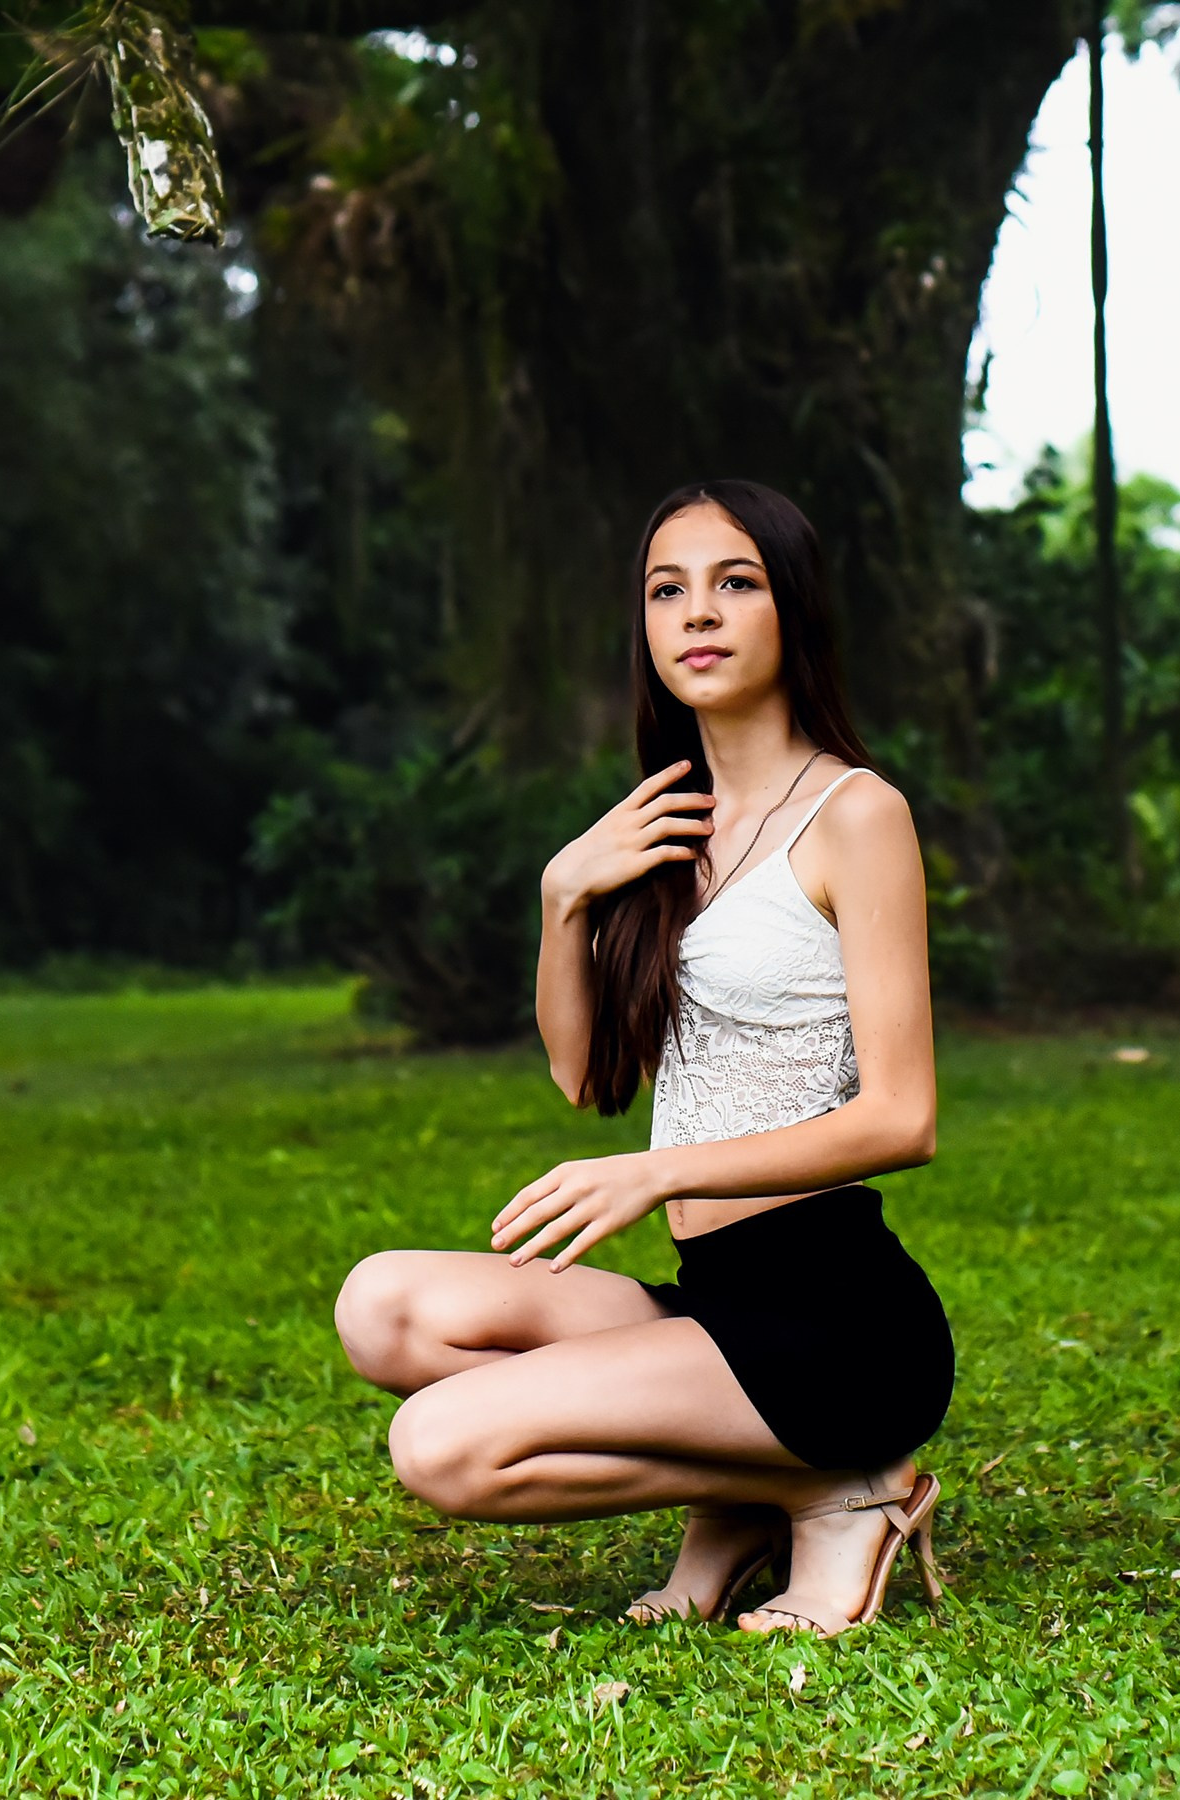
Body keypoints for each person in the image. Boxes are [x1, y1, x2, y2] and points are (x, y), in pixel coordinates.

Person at [333, 477, 955, 1639]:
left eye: (735, 583)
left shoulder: (857, 815)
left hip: (837, 1322)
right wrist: (561, 894)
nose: (697, 615)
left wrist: (660, 1172)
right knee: (381, 1308)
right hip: (712, 1306)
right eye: (668, 590)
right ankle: (776, 1486)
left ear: (794, 611)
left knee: (440, 1447)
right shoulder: (666, 823)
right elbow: (582, 1078)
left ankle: (843, 1482)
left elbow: (903, 1118)